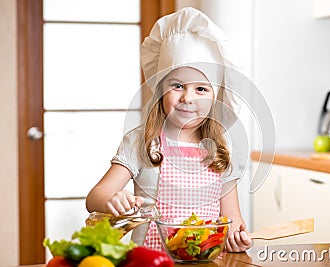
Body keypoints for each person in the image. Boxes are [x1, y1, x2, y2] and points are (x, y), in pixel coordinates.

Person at [86, 7, 251, 253]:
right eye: (178, 85)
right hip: (148, 260)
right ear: (161, 88)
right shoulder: (142, 142)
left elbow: (233, 219)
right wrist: (112, 200)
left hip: (204, 260)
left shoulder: (221, 149)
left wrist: (237, 238)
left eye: (201, 89)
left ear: (215, 97)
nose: (187, 98)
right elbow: (94, 197)